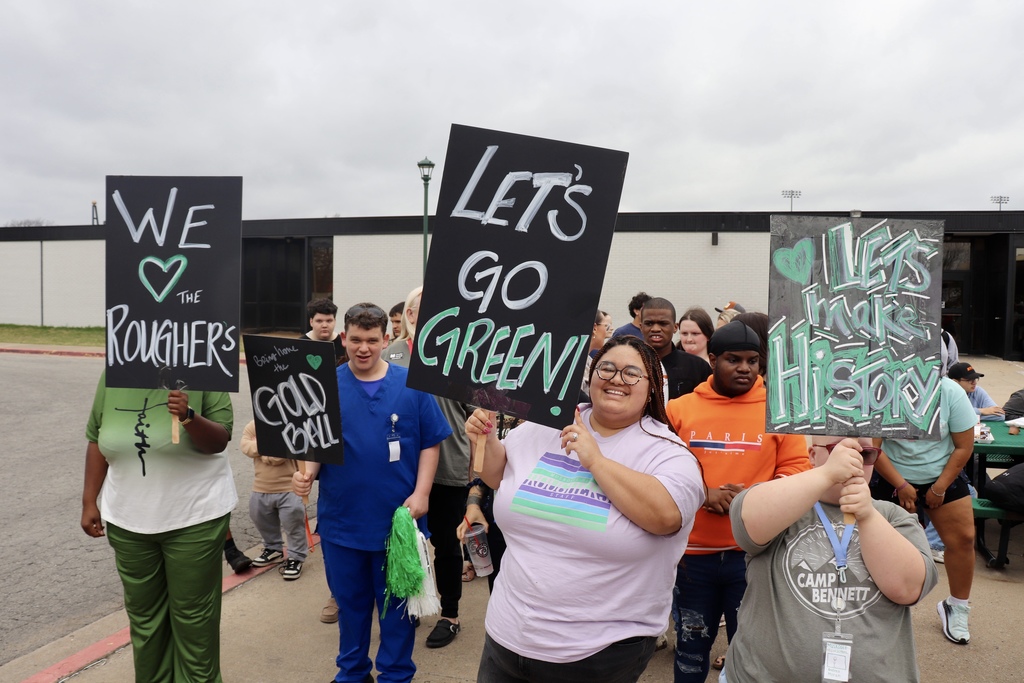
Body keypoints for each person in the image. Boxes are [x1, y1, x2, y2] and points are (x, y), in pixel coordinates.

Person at [466, 335, 705, 683]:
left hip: (597, 653)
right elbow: (499, 474)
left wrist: (596, 460)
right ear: (590, 377)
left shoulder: (667, 452)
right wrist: (485, 439)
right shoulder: (544, 425)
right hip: (506, 637)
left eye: (631, 373)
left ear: (653, 387)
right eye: (606, 368)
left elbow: (666, 518)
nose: (615, 379)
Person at [293, 303, 451, 683]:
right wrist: (307, 475)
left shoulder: (412, 385)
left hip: (396, 522)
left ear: (385, 339)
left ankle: (396, 674)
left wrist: (423, 493)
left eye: (372, 340)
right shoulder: (325, 386)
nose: (364, 348)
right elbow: (317, 444)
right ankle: (352, 672)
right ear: (343, 339)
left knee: (397, 609)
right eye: (356, 340)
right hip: (342, 522)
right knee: (351, 606)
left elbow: (431, 442)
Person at [665, 320, 810, 682]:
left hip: (753, 556)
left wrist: (752, 501)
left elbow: (796, 471)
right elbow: (659, 473)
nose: (744, 368)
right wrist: (703, 493)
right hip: (691, 557)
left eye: (752, 361)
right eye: (733, 360)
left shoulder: (781, 410)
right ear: (712, 359)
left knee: (751, 650)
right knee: (690, 648)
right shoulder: (679, 410)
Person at [724, 437, 938, 682]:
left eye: (865, 454)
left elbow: (907, 588)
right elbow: (747, 521)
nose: (853, 460)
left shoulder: (893, 516)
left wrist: (866, 515)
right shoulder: (785, 504)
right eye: (838, 449)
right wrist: (826, 474)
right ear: (812, 456)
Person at [80, 375, 235, 682]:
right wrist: (89, 500)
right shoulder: (116, 372)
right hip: (128, 523)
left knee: (194, 621)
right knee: (146, 621)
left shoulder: (204, 368)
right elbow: (97, 437)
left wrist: (189, 417)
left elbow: (219, 440)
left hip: (194, 520)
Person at [385, 285, 474, 649]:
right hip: (401, 468)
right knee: (404, 540)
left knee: (446, 545)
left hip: (450, 465)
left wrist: (477, 466)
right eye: (416, 308)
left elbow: (477, 414)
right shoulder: (391, 356)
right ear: (407, 314)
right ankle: (412, 601)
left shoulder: (461, 356)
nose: (421, 314)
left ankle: (450, 614)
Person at [871, 375, 977, 644]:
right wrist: (901, 484)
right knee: (875, 544)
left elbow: (964, 446)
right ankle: (875, 607)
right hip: (893, 474)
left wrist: (940, 488)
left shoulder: (950, 391)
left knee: (963, 538)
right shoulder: (879, 386)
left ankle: (957, 606)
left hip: (941, 473)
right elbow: (872, 448)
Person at [240, 419, 308, 580]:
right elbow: (244, 445)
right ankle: (273, 548)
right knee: (260, 517)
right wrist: (268, 446)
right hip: (260, 487)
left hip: (289, 488)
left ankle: (296, 557)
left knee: (293, 525)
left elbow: (280, 456)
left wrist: (259, 445)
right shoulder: (253, 424)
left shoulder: (293, 424)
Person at [640, 297, 711, 400]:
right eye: (649, 323)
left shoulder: (698, 367)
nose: (655, 329)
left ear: (675, 327)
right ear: (641, 327)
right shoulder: (628, 364)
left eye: (663, 323)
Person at [305, 297, 347, 366]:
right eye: (319, 321)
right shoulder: (300, 344)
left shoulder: (344, 344)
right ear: (311, 322)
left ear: (335, 321)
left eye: (329, 321)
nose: (324, 325)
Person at [582, 309, 613, 398]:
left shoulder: (589, 361)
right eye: (606, 326)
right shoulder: (576, 365)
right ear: (594, 328)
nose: (607, 331)